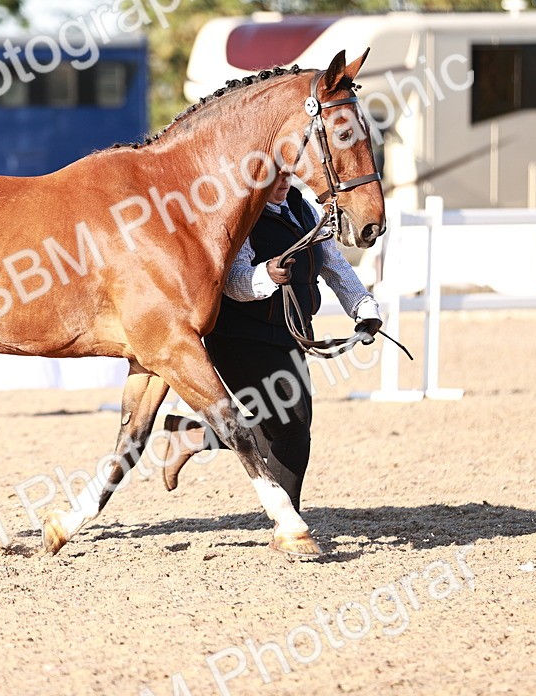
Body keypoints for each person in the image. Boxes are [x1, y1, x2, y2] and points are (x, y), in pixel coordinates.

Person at [160, 174, 382, 523]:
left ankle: (196, 435)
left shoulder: (304, 208)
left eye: (286, 174)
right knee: (291, 433)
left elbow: (335, 265)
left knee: (283, 428)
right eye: (274, 175)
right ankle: (288, 522)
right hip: (241, 338)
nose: (282, 182)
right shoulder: (241, 214)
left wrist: (363, 308)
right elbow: (233, 282)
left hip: (288, 335)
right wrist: (266, 275)